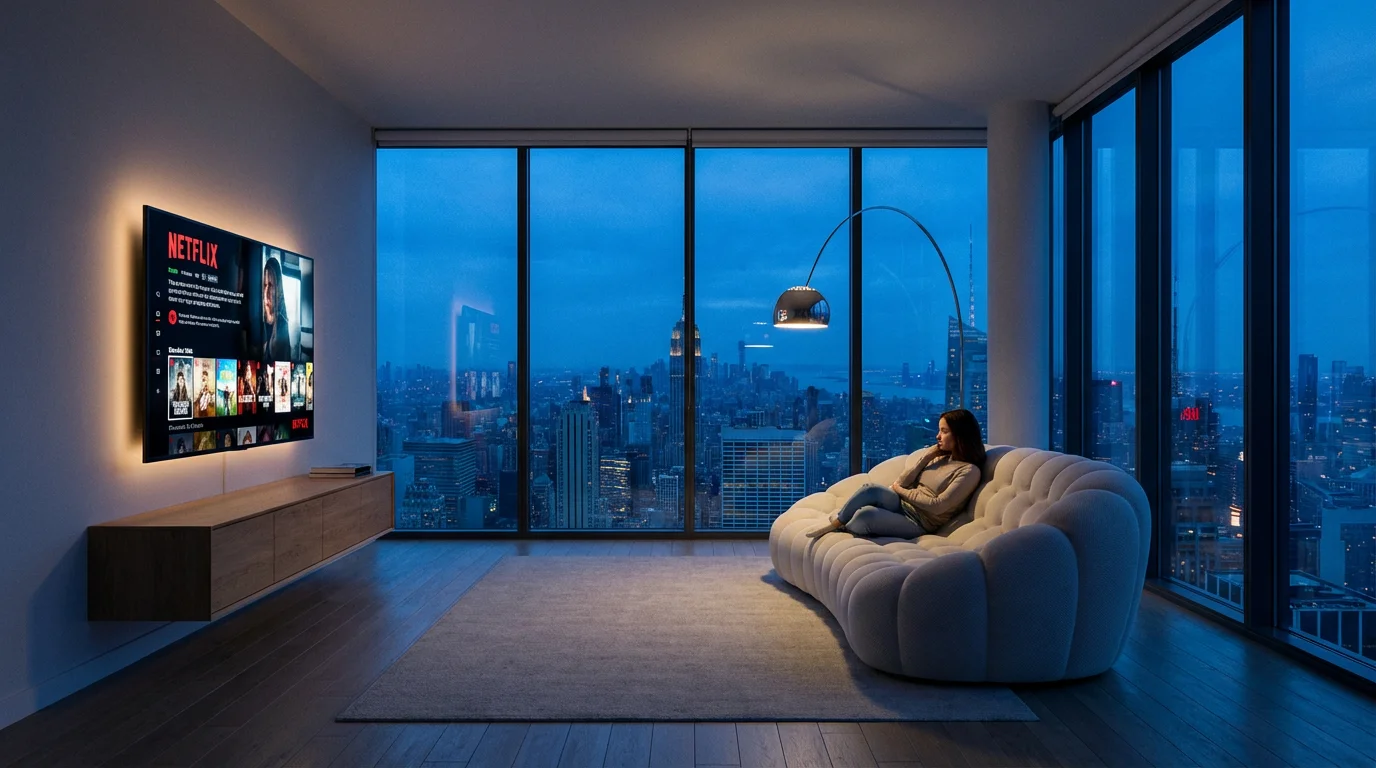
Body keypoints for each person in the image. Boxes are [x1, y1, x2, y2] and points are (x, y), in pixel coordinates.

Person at [807, 408, 986, 539]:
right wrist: (925, 458)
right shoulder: (940, 457)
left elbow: (937, 505)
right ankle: (837, 522)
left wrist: (899, 490)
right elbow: (902, 481)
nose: (937, 436)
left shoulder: (969, 471)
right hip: (902, 503)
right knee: (870, 489)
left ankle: (845, 528)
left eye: (944, 431)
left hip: (920, 521)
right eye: (939, 430)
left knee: (865, 515)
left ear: (961, 436)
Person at [260, 255, 293, 363]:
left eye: (270, 285)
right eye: (265, 285)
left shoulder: (282, 323)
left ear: (277, 287)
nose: (266, 292)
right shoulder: (260, 319)